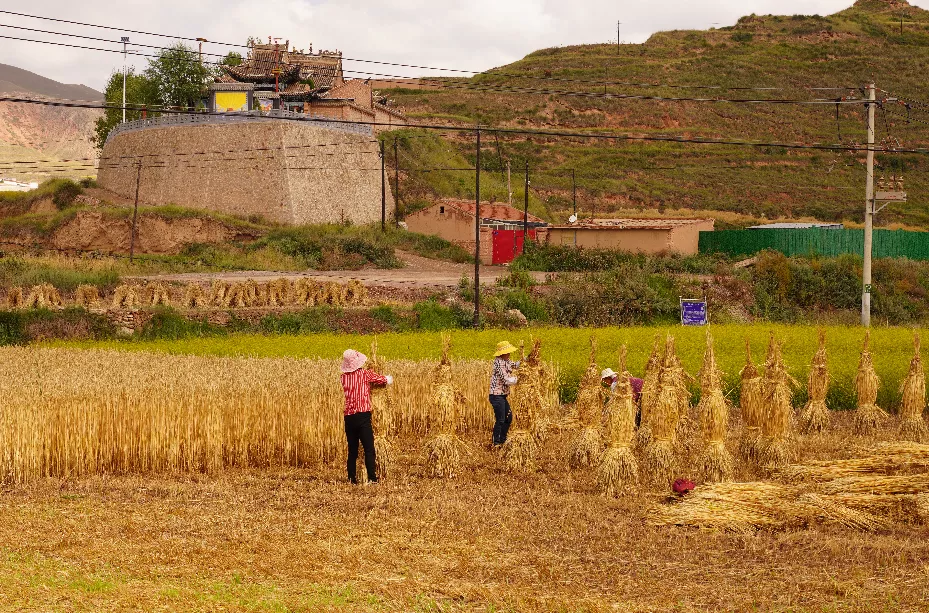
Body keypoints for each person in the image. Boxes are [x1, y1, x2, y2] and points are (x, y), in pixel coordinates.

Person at [340, 348, 393, 484]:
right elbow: (381, 380)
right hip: (363, 416)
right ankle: (372, 478)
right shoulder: (364, 374)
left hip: (349, 417)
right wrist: (387, 378)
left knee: (352, 450)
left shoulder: (343, 378)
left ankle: (352, 479)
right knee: (369, 448)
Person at [489, 340, 520, 447]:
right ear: (502, 353)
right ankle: (496, 442)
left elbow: (515, 365)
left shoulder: (506, 361)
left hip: (502, 396)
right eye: (508, 352)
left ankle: (502, 439)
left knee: (509, 417)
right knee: (501, 419)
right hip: (496, 395)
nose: (509, 354)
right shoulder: (498, 362)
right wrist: (519, 379)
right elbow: (506, 380)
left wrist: (527, 360)